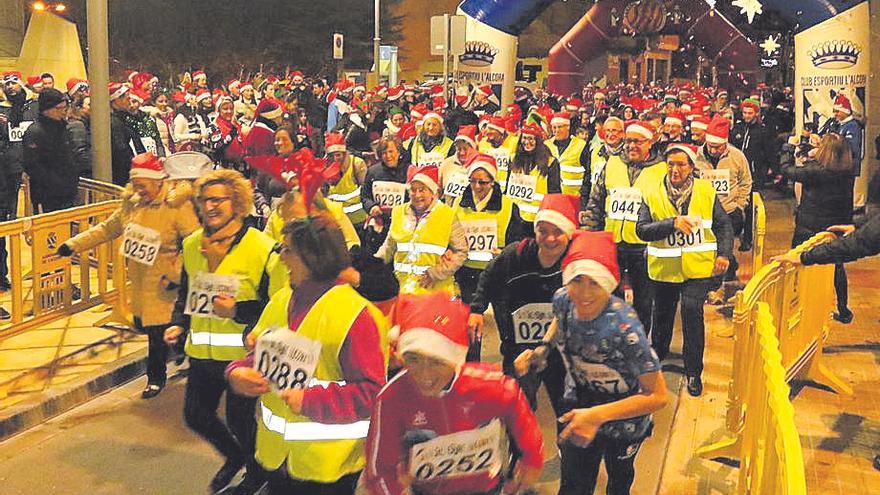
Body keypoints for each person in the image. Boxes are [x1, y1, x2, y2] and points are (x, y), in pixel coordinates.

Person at [227, 213, 389, 495]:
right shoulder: (281, 300)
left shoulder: (358, 316)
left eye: (288, 250)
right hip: (277, 455)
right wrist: (238, 371)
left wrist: (309, 400)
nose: (282, 259)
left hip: (328, 467)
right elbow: (261, 354)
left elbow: (370, 393)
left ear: (314, 256)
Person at [515, 230, 668, 495]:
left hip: (625, 419)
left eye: (594, 283)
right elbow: (558, 319)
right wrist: (543, 348)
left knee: (618, 479)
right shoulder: (564, 298)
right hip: (581, 404)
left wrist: (598, 415)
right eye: (577, 280)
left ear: (609, 283)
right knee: (574, 482)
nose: (584, 293)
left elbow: (658, 396)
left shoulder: (624, 328)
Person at [163, 169, 279, 494]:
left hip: (242, 358)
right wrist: (178, 323)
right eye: (205, 200)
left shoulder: (262, 247)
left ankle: (257, 474)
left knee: (241, 421)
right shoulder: (191, 245)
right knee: (196, 416)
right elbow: (186, 293)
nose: (210, 206)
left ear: (237, 202)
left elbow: (275, 306)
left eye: (218, 200)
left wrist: (238, 311)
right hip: (201, 354)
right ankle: (235, 457)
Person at [363, 292, 544, 495]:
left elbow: (522, 420)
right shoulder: (391, 399)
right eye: (413, 359)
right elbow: (379, 471)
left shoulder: (491, 386)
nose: (424, 373)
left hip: (486, 490)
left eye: (437, 361)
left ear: (455, 359)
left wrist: (530, 462)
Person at [59, 153, 199, 398]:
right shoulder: (130, 203)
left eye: (142, 186)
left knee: (157, 334)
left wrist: (178, 276)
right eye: (135, 185)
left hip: (166, 284)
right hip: (138, 282)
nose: (138, 190)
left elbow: (194, 243)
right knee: (145, 326)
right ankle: (183, 348)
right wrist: (73, 245)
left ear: (157, 182)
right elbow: (107, 229)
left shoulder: (176, 206)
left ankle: (155, 379)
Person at [635, 144, 733, 396]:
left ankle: (693, 372)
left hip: (697, 269)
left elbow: (724, 225)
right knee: (663, 317)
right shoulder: (651, 191)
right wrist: (671, 224)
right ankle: (657, 357)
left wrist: (724, 254)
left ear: (691, 167)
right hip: (664, 269)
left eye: (681, 164)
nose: (675, 169)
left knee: (691, 313)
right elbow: (642, 230)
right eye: (671, 164)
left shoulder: (705, 191)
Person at [468, 194, 578, 414]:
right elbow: (488, 276)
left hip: (559, 348)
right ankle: (517, 447)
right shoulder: (515, 255)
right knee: (516, 406)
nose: (549, 239)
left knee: (566, 409)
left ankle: (566, 448)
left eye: (558, 232)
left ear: (569, 234)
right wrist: (477, 310)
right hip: (518, 346)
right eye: (543, 231)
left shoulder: (576, 262)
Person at [583, 121, 667, 331]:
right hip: (612, 243)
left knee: (644, 301)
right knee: (610, 296)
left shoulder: (662, 169)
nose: (631, 146)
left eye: (637, 141)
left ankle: (638, 343)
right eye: (629, 141)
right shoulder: (612, 163)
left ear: (650, 143)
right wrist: (589, 235)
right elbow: (596, 201)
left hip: (644, 247)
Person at [452, 153, 526, 358]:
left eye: (482, 182)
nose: (476, 187)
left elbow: (518, 241)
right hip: (467, 275)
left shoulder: (509, 207)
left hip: (499, 276)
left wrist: (505, 252)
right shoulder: (459, 203)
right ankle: (471, 371)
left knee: (507, 327)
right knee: (471, 329)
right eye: (473, 181)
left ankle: (510, 369)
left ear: (492, 182)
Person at [781, 133, 855, 323]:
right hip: (836, 226)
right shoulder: (847, 171)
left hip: (810, 227)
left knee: (798, 262)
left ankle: (797, 305)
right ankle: (843, 309)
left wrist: (788, 148)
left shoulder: (816, 172)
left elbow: (786, 170)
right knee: (837, 267)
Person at [375, 166, 467, 295]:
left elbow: (461, 251)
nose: (417, 195)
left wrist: (437, 273)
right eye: (413, 190)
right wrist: (372, 264)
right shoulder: (398, 212)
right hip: (403, 290)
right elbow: (389, 246)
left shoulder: (448, 214)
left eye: (422, 190)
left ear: (432, 192)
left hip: (435, 292)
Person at [695, 115, 752, 300]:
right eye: (710, 146)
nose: (713, 150)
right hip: (704, 212)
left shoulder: (737, 156)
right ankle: (729, 265)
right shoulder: (697, 156)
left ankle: (715, 288)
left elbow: (746, 182)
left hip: (729, 211)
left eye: (717, 147)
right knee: (710, 249)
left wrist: (740, 205)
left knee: (721, 248)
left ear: (725, 144)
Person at [21, 88, 80, 213]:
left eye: (65, 108)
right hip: (47, 194)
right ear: (46, 110)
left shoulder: (62, 127)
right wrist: (55, 183)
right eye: (59, 108)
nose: (64, 112)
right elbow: (32, 165)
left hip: (68, 190)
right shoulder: (35, 132)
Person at [505, 123, 561, 229]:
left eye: (531, 139)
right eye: (524, 138)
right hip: (513, 220)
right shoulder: (513, 159)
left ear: (538, 141)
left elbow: (554, 194)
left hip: (537, 221)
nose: (527, 142)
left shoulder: (550, 163)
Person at [324, 132, 368, 228]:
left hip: (358, 221)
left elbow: (366, 192)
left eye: (338, 155)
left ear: (344, 153)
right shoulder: (325, 168)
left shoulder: (357, 164)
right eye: (331, 156)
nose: (335, 159)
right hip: (337, 222)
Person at [580, 116, 624, 210]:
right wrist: (583, 206)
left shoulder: (628, 155)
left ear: (622, 134)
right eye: (608, 130)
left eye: (614, 130)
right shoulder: (595, 152)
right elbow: (587, 181)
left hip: (616, 207)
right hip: (595, 206)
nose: (610, 134)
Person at [545, 111, 590, 196]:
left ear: (568, 127)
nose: (556, 130)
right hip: (552, 198)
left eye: (560, 127)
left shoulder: (581, 145)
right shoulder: (546, 145)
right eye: (554, 127)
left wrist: (583, 196)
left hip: (574, 199)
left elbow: (588, 174)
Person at [439, 124, 478, 204]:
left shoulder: (481, 165)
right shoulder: (446, 163)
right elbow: (438, 191)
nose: (462, 153)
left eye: (465, 149)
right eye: (459, 149)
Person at [477, 116, 519, 190]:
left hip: (506, 187)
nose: (488, 133)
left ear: (501, 133)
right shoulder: (483, 143)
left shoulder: (513, 142)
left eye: (492, 130)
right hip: (487, 186)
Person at [109, 82, 136, 185]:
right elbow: (121, 150)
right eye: (127, 98)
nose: (130, 102)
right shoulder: (114, 122)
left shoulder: (124, 118)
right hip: (121, 173)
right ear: (117, 100)